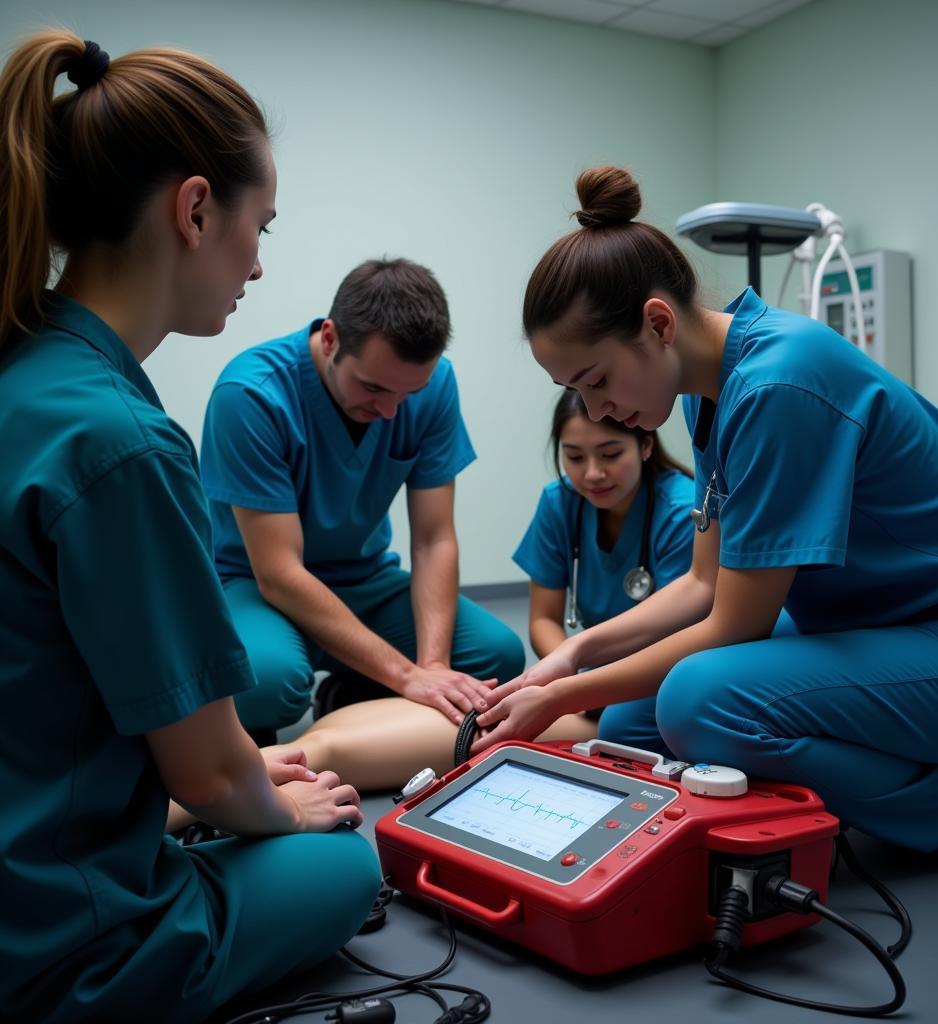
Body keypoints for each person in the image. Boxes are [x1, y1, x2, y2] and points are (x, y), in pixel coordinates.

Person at [472, 165, 938, 860]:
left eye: (598, 380)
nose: (595, 410)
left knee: (700, 702)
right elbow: (705, 586)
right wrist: (576, 655)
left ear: (658, 323)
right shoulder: (712, 391)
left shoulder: (778, 383)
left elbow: (736, 623)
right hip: (881, 622)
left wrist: (556, 699)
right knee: (631, 717)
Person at [0, 32, 379, 1022]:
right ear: (197, 209)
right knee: (343, 857)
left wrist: (228, 775)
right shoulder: (123, 443)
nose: (259, 259)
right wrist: (266, 799)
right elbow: (211, 772)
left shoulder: (26, 371)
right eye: (261, 224)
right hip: (49, 949)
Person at [197, 257, 530, 783]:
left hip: (367, 582)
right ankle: (277, 739)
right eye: (374, 389)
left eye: (408, 394)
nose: (393, 411)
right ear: (330, 339)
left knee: (497, 656)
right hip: (257, 587)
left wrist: (434, 666)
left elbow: (433, 539)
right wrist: (406, 676)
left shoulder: (434, 385)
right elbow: (279, 572)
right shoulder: (251, 396)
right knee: (267, 681)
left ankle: (352, 693)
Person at [514, 387, 695, 662]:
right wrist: (565, 680)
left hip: (669, 665)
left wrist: (583, 690)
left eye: (610, 454)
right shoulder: (559, 503)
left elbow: (674, 636)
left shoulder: (681, 514)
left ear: (645, 446)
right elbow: (544, 620)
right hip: (598, 670)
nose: (592, 474)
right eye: (575, 457)